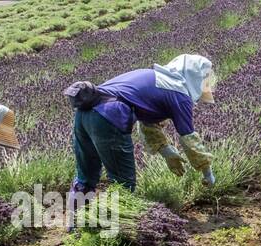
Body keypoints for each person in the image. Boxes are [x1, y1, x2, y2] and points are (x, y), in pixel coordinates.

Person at [70, 54, 217, 196]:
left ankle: (76, 218)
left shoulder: (155, 77)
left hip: (83, 114)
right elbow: (189, 139)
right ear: (196, 78)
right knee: (123, 184)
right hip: (109, 116)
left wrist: (166, 151)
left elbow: (148, 123)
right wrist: (207, 172)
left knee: (85, 178)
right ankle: (112, 219)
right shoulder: (179, 94)